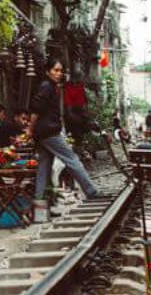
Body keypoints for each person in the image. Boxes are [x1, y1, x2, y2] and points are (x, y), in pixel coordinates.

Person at [30, 57, 99, 221]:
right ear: (48, 71)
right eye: (55, 70)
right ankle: (91, 191)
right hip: (48, 132)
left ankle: (40, 211)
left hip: (44, 132)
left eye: (60, 71)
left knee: (44, 168)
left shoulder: (51, 86)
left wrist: (34, 131)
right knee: (72, 159)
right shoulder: (47, 86)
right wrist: (30, 129)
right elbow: (36, 108)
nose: (58, 73)